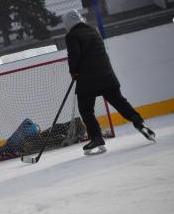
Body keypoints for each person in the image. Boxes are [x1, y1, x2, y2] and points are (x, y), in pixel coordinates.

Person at [62, 9, 155, 155]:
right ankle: (139, 122)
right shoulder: (93, 30)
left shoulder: (71, 36)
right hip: (107, 75)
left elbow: (74, 55)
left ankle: (97, 138)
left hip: (88, 79)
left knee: (86, 109)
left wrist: (73, 72)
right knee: (119, 102)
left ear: (68, 23)